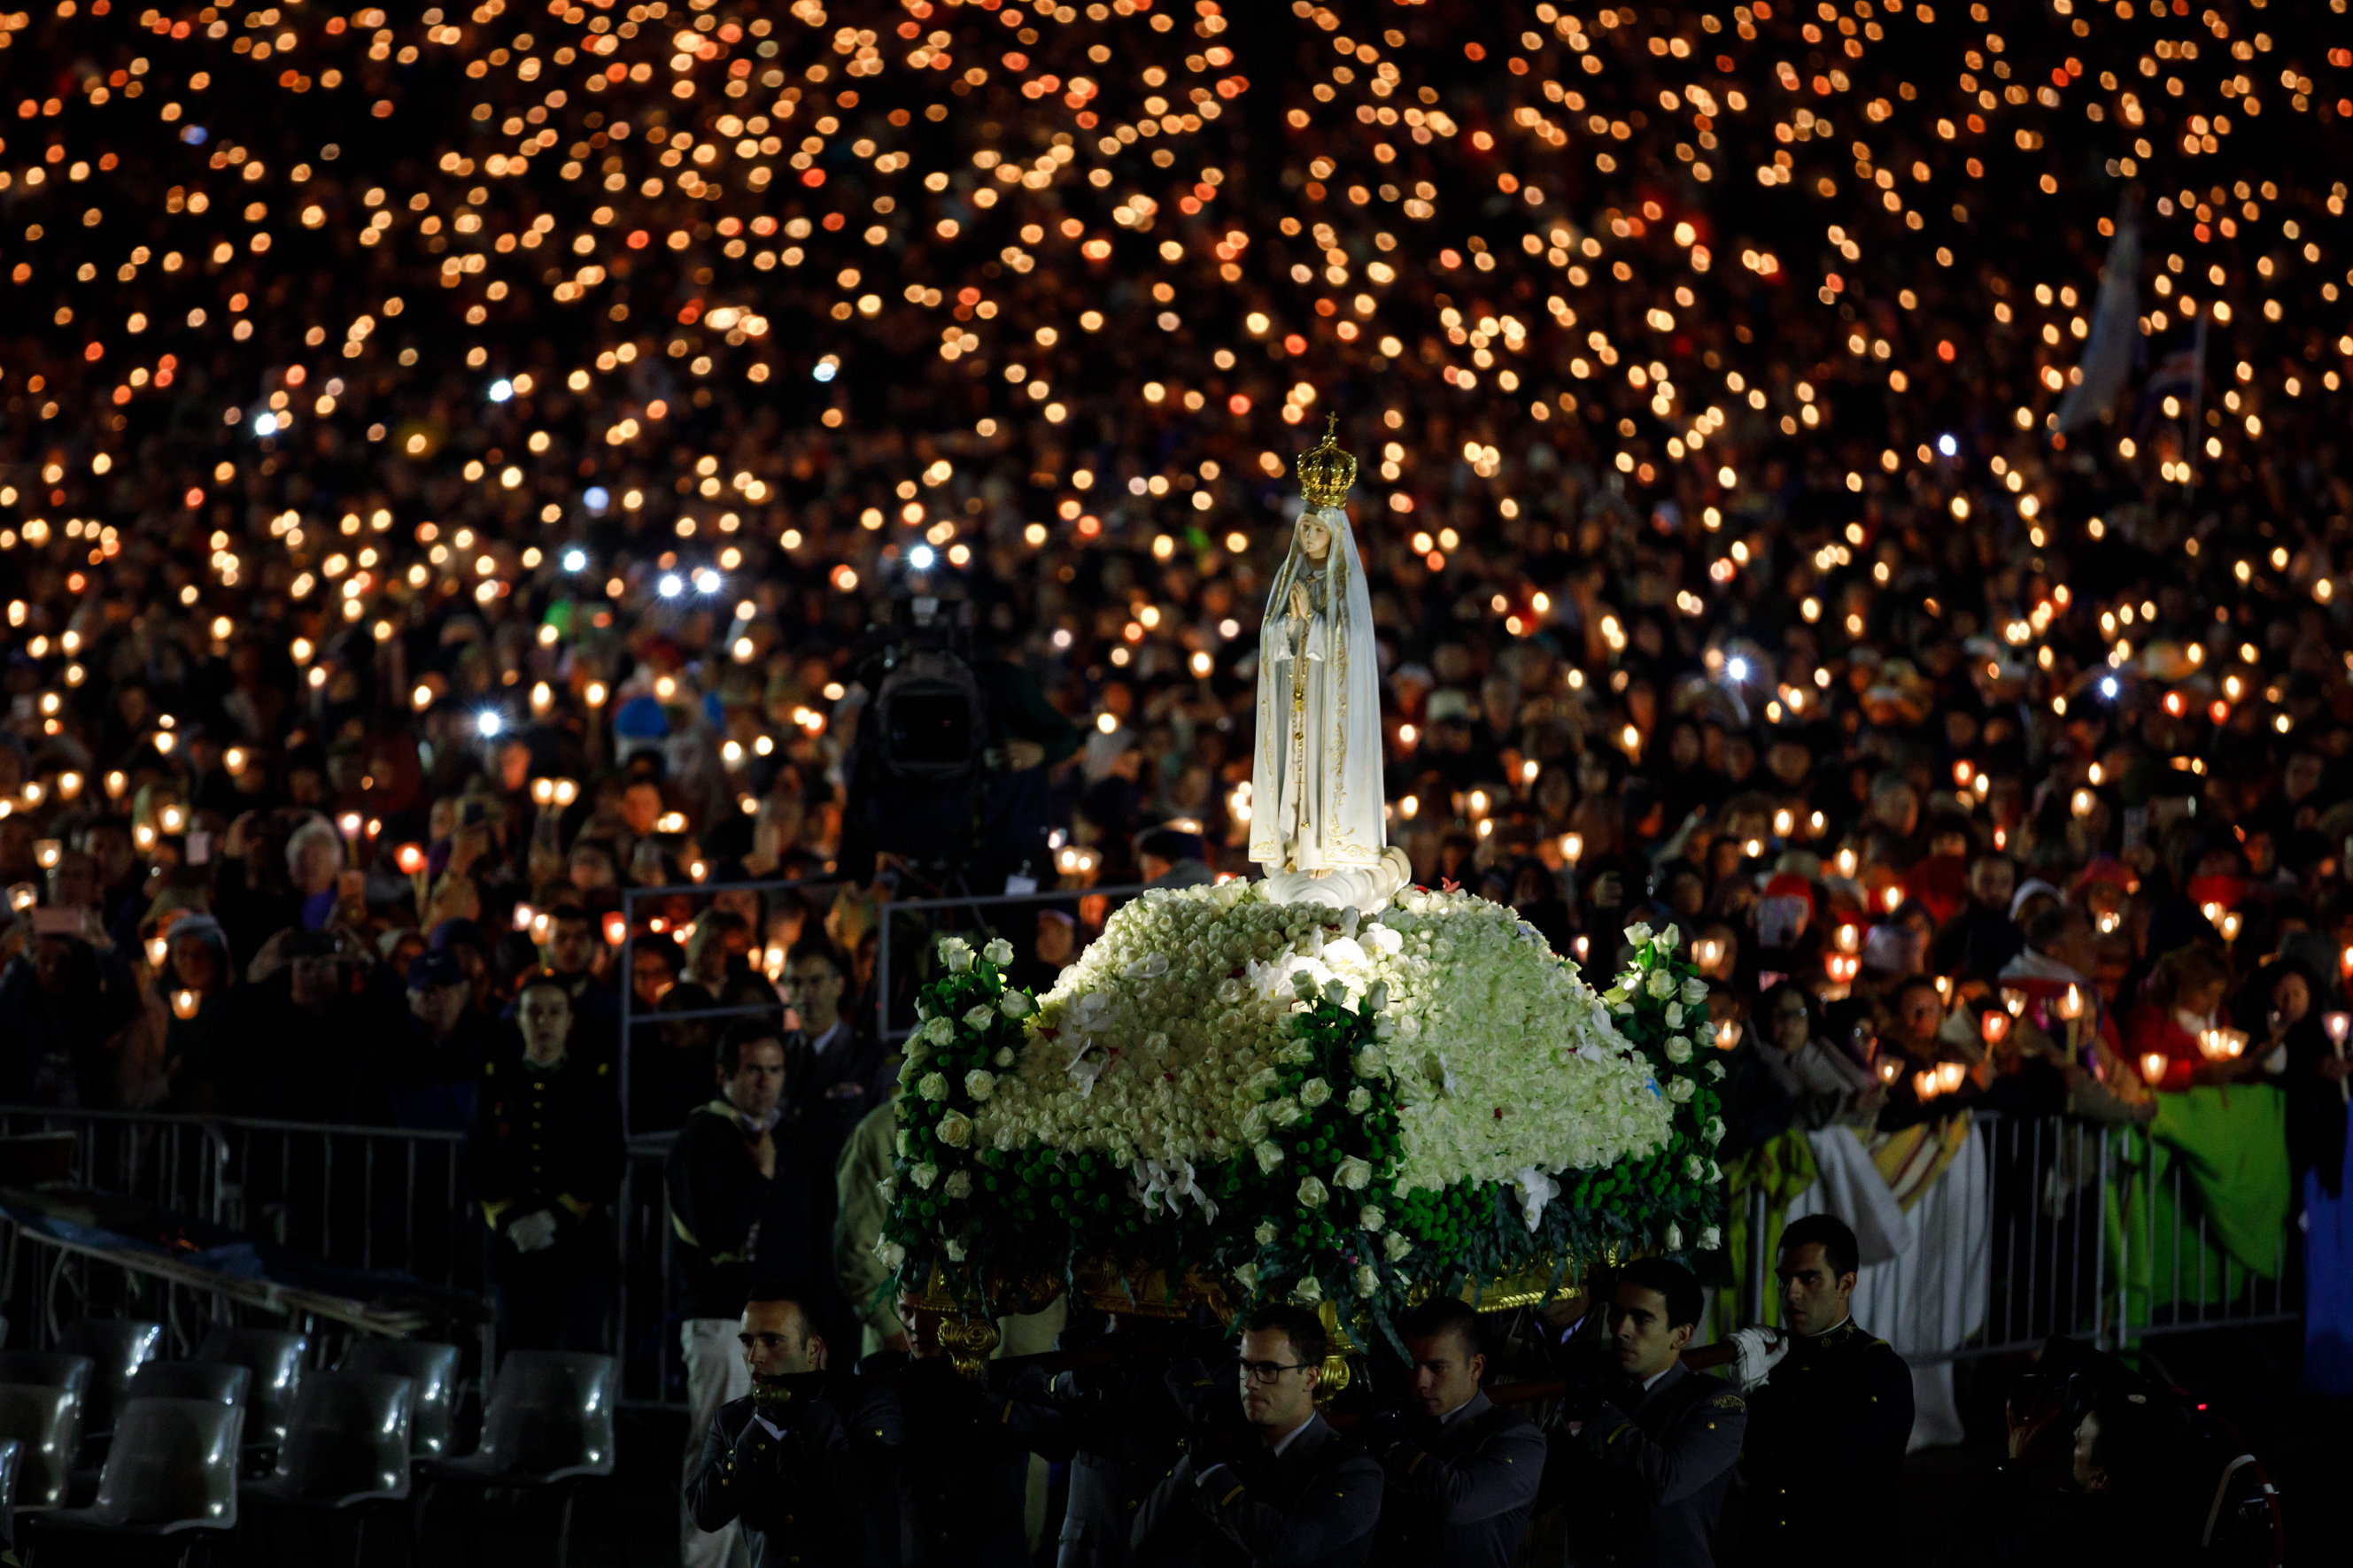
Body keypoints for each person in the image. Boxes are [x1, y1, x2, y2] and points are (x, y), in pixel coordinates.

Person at [665, 1020, 826, 1568]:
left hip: (784, 1328)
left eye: (774, 1069)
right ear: (724, 1074)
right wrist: (758, 1178)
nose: (765, 1082)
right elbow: (713, 1234)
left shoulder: (790, 1135)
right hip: (720, 1319)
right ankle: (703, 1563)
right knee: (719, 1449)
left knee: (771, 1459)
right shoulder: (703, 1137)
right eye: (752, 1069)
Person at [1131, 1302, 1383, 1566]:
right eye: (1245, 1366)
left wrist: (1212, 1473)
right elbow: (1145, 1542)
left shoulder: (1354, 1471)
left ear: (1310, 1378)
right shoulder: (1235, 1449)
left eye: (1267, 1370)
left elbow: (1284, 1548)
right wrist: (1199, 1453)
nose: (1250, 1383)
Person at [1732, 1215, 1914, 1564]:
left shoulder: (1880, 1369)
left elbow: (1829, 1464)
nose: (1791, 1293)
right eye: (1783, 1280)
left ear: (1846, 1285)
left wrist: (1758, 1390)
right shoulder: (1777, 1358)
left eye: (1808, 1278)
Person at [463, 971, 624, 1352]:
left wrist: (557, 1217)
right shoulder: (497, 1083)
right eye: (533, 1012)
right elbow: (477, 1156)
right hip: (513, 1250)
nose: (544, 1023)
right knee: (520, 1355)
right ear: (518, 1018)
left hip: (577, 1250)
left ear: (570, 1020)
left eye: (555, 1012)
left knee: (576, 1357)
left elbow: (607, 1160)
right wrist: (508, 1217)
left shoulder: (592, 1085)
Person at [1546, 1258, 1745, 1568]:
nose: (1621, 1330)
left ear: (1681, 1336)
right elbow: (1550, 1485)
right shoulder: (1603, 1388)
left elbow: (1667, 1480)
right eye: (1617, 1314)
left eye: (1641, 1319)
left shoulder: (1715, 1404)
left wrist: (1597, 1416)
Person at [685, 1284, 871, 1568]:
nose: (753, 1357)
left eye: (772, 1341)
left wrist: (807, 1412)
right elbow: (705, 1512)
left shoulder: (860, 1405)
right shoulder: (734, 1419)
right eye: (747, 1341)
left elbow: (866, 1504)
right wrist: (763, 1424)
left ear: (813, 1349)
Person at [1358, 1296, 1544, 1567]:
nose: (1420, 1382)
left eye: (1437, 1368)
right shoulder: (1408, 1421)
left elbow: (1457, 1501)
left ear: (1475, 1367)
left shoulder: (1515, 1436)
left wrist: (1397, 1448)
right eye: (1411, 1365)